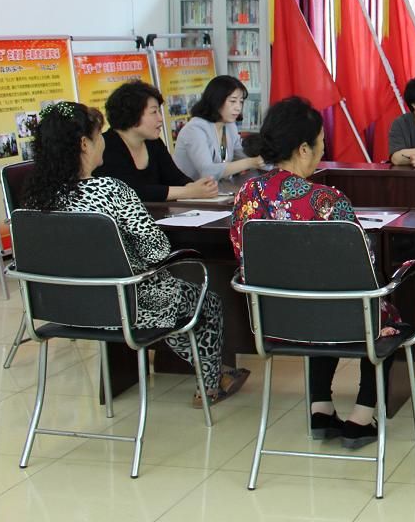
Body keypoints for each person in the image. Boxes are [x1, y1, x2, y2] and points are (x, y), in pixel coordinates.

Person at [22, 101, 248, 405]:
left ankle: (214, 372)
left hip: (62, 308)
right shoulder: (112, 191)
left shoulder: (34, 200)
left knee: (168, 298)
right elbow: (157, 251)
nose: (104, 141)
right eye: (99, 135)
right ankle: (210, 383)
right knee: (202, 301)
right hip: (123, 307)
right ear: (84, 144)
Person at [229, 96, 400, 449]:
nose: (324, 148)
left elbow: (241, 252)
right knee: (381, 315)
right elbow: (362, 271)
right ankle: (361, 418)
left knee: (317, 307)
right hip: (335, 318)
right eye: (321, 141)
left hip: (275, 319)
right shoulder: (326, 200)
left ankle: (321, 409)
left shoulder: (246, 193)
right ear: (304, 148)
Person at [98, 80, 218, 202]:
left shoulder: (153, 142)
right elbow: (132, 191)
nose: (160, 118)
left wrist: (197, 187)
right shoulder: (106, 145)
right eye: (154, 112)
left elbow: (175, 178)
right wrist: (189, 192)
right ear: (132, 115)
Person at [174, 75, 264, 184]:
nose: (238, 107)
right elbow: (207, 172)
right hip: (191, 191)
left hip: (217, 189)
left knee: (259, 179)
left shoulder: (229, 126)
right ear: (216, 101)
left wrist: (266, 159)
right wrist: (251, 162)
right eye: (233, 101)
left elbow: (241, 154)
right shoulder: (194, 129)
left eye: (241, 102)